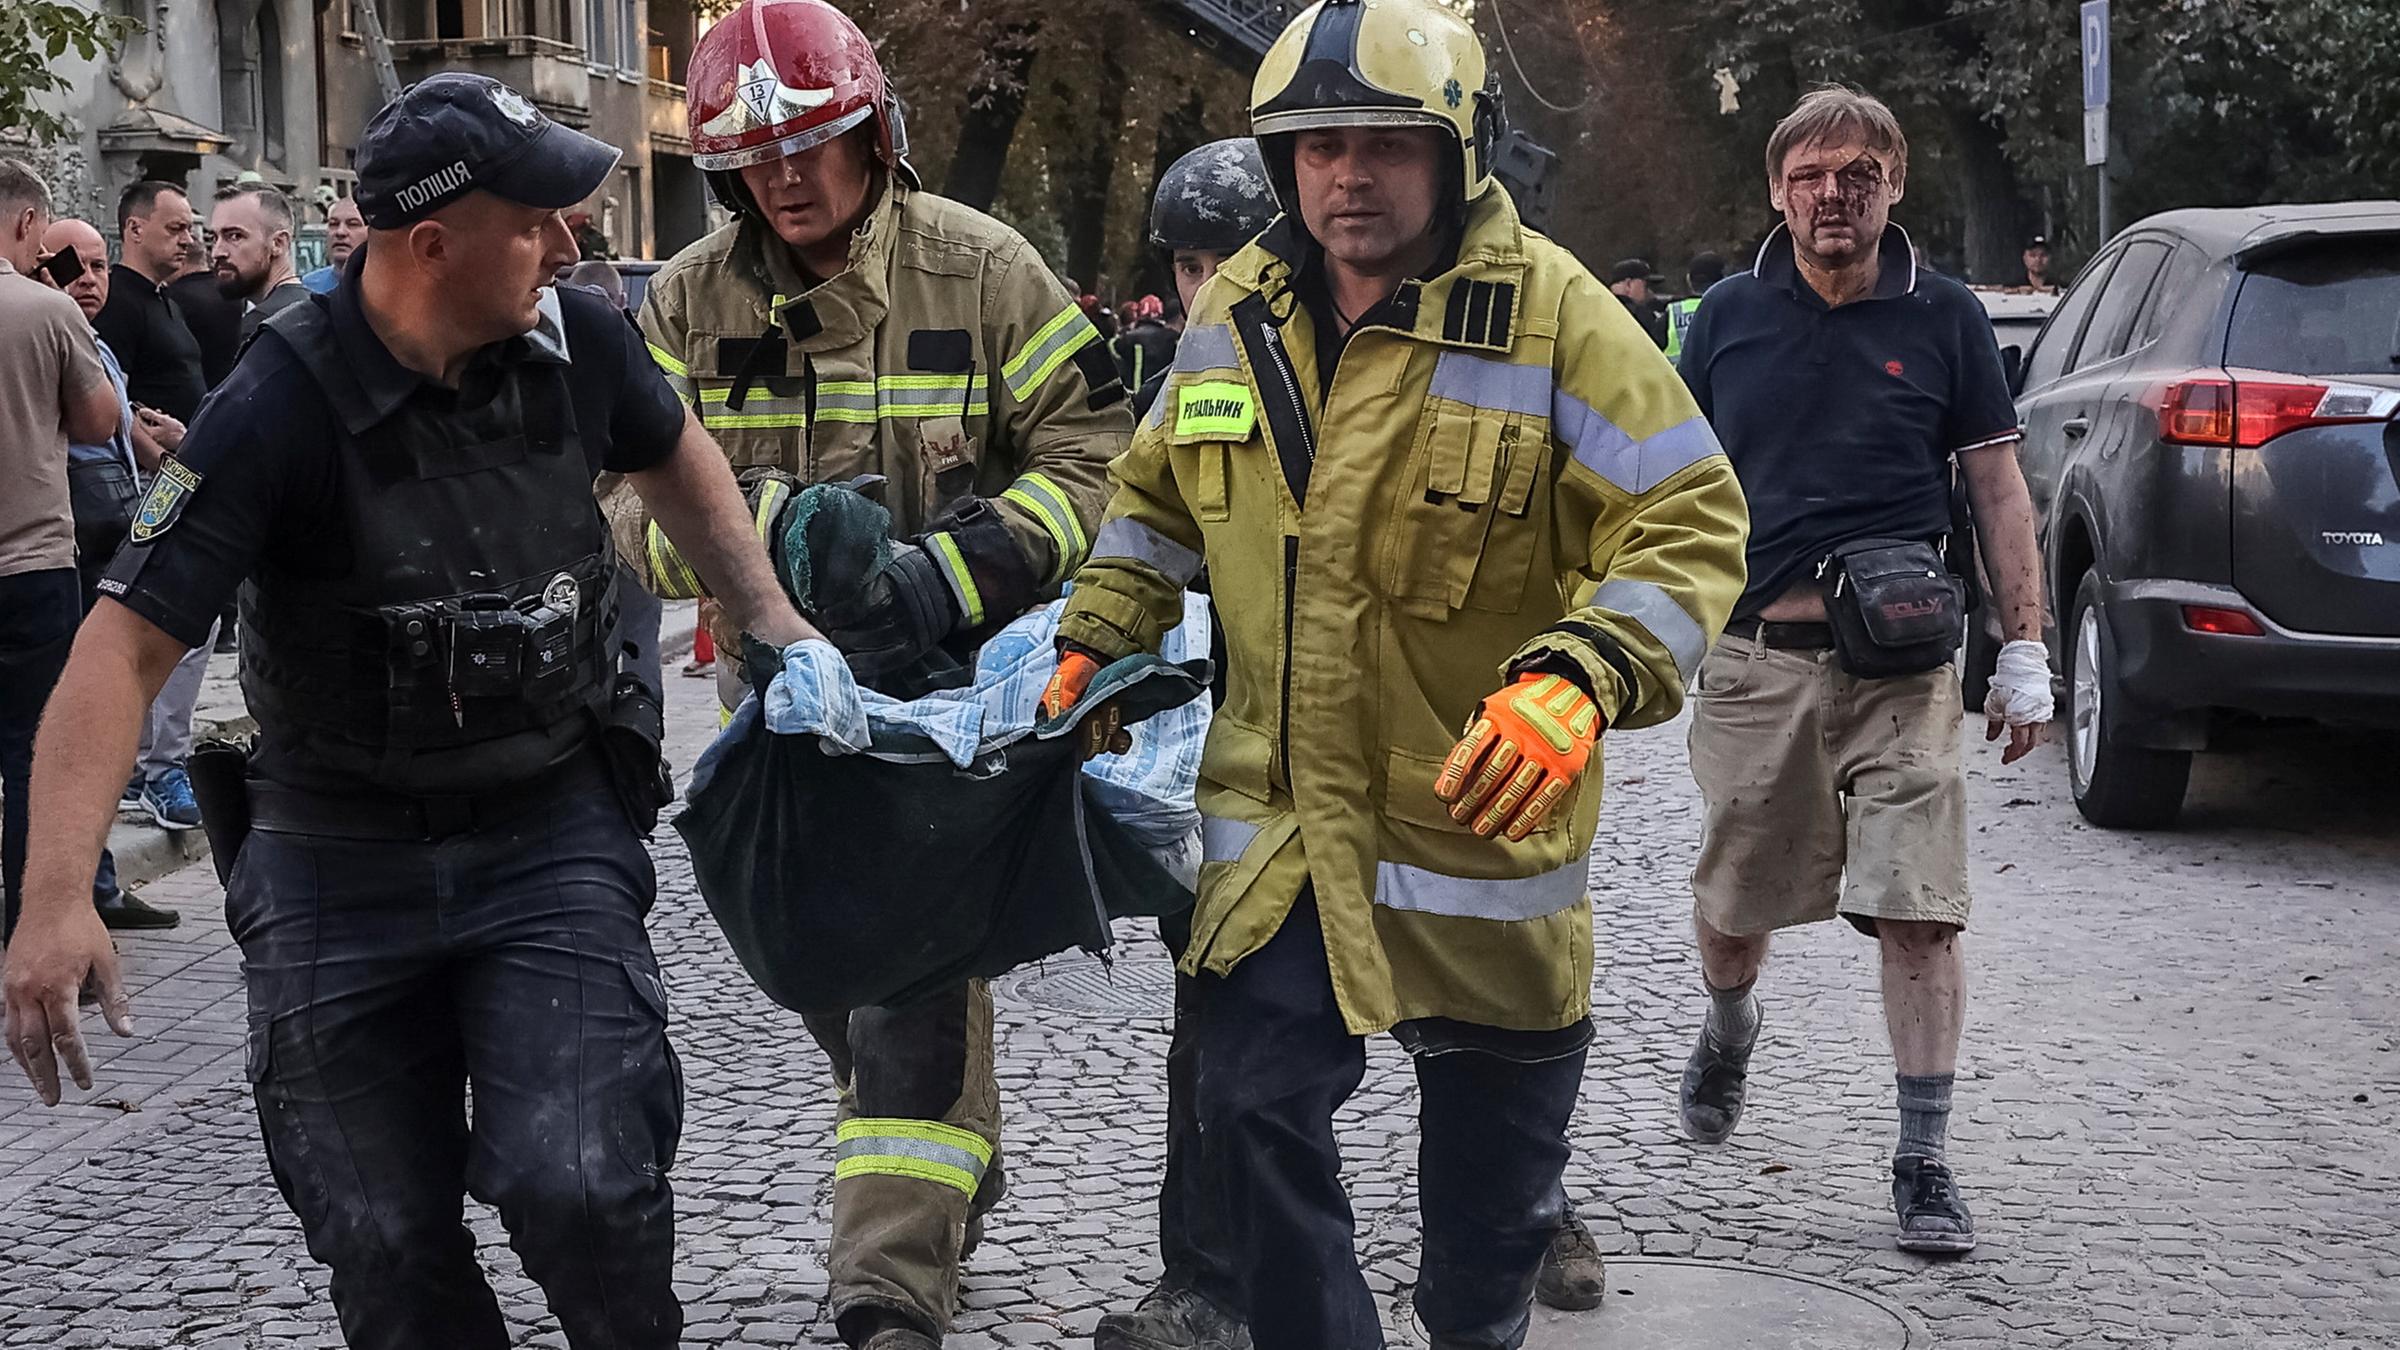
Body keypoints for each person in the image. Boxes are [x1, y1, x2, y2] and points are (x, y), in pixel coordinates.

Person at [1, 73, 820, 1349]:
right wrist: (54, 898)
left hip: (548, 828)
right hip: (338, 851)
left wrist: (775, 624)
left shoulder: (582, 340)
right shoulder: (275, 404)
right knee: (379, 1235)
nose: (569, 242)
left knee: (587, 1184)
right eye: (538, 218)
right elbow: (120, 650)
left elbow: (674, 453)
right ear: (432, 244)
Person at [1043, 4, 1750, 1347]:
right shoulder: (1234, 312)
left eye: (1382, 142)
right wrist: (1101, 628)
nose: (1346, 174)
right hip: (1286, 838)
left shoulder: (1553, 317)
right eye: (1315, 148)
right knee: (1247, 1110)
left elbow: (1688, 520)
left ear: (1458, 153)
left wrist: (1583, 674)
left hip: (1477, 843)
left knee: (1484, 1252)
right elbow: (1154, 500)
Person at [632, 3, 1126, 1346]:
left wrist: (951, 576)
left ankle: (889, 1285)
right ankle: (953, 1142)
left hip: (946, 714)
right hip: (780, 713)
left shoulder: (985, 269)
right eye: (756, 155)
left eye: (815, 141)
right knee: (821, 971)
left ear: (874, 132)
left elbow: (1097, 456)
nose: (787, 175)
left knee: (909, 979)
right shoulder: (684, 299)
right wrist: (760, 554)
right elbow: (621, 501)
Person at [1671, 85, 2054, 1257]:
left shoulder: (1946, 320)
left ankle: (1924, 1159)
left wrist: (2027, 647)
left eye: (1859, 174)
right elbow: (1669, 488)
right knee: (1734, 920)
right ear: (1777, 190)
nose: (1833, 194)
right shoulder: (1725, 317)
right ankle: (1730, 1025)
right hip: (1753, 667)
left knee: (1918, 916)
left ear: (1895, 187)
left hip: (1902, 672)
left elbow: (1995, 487)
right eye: (1810, 174)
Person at [38, 215, 185, 932]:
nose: (88, 280)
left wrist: (166, 461)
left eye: (98, 267)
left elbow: (121, 430)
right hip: (63, 543)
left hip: (114, 530)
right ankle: (81, 891)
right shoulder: (46, 336)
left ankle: (95, 887)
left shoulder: (94, 342)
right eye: (74, 267)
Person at [0, 161, 125, 946]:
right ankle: (29, 933)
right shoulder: (45, 310)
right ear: (25, 225)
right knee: (32, 759)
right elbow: (97, 422)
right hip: (31, 568)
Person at [93, 181, 208, 424]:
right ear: (135, 229)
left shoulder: (166, 299)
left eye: (188, 229)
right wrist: (165, 461)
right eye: (175, 229)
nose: (187, 240)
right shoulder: (115, 301)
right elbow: (115, 408)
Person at [210, 182, 310, 337]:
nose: (217, 252)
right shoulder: (314, 309)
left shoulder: (265, 325)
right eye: (214, 237)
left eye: (235, 236)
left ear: (278, 243)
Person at [1661, 250, 1725, 364]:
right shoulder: (1732, 309)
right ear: (1723, 279)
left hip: (1679, 380)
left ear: (1689, 279)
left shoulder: (1672, 313)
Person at [302, 195, 367, 294]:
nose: (340, 232)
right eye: (333, 224)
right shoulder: (307, 287)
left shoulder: (389, 285)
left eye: (353, 224)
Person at [1606, 257, 1670, 349]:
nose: (1651, 293)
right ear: (1629, 285)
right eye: (1647, 286)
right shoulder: (1640, 316)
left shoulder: (1603, 309)